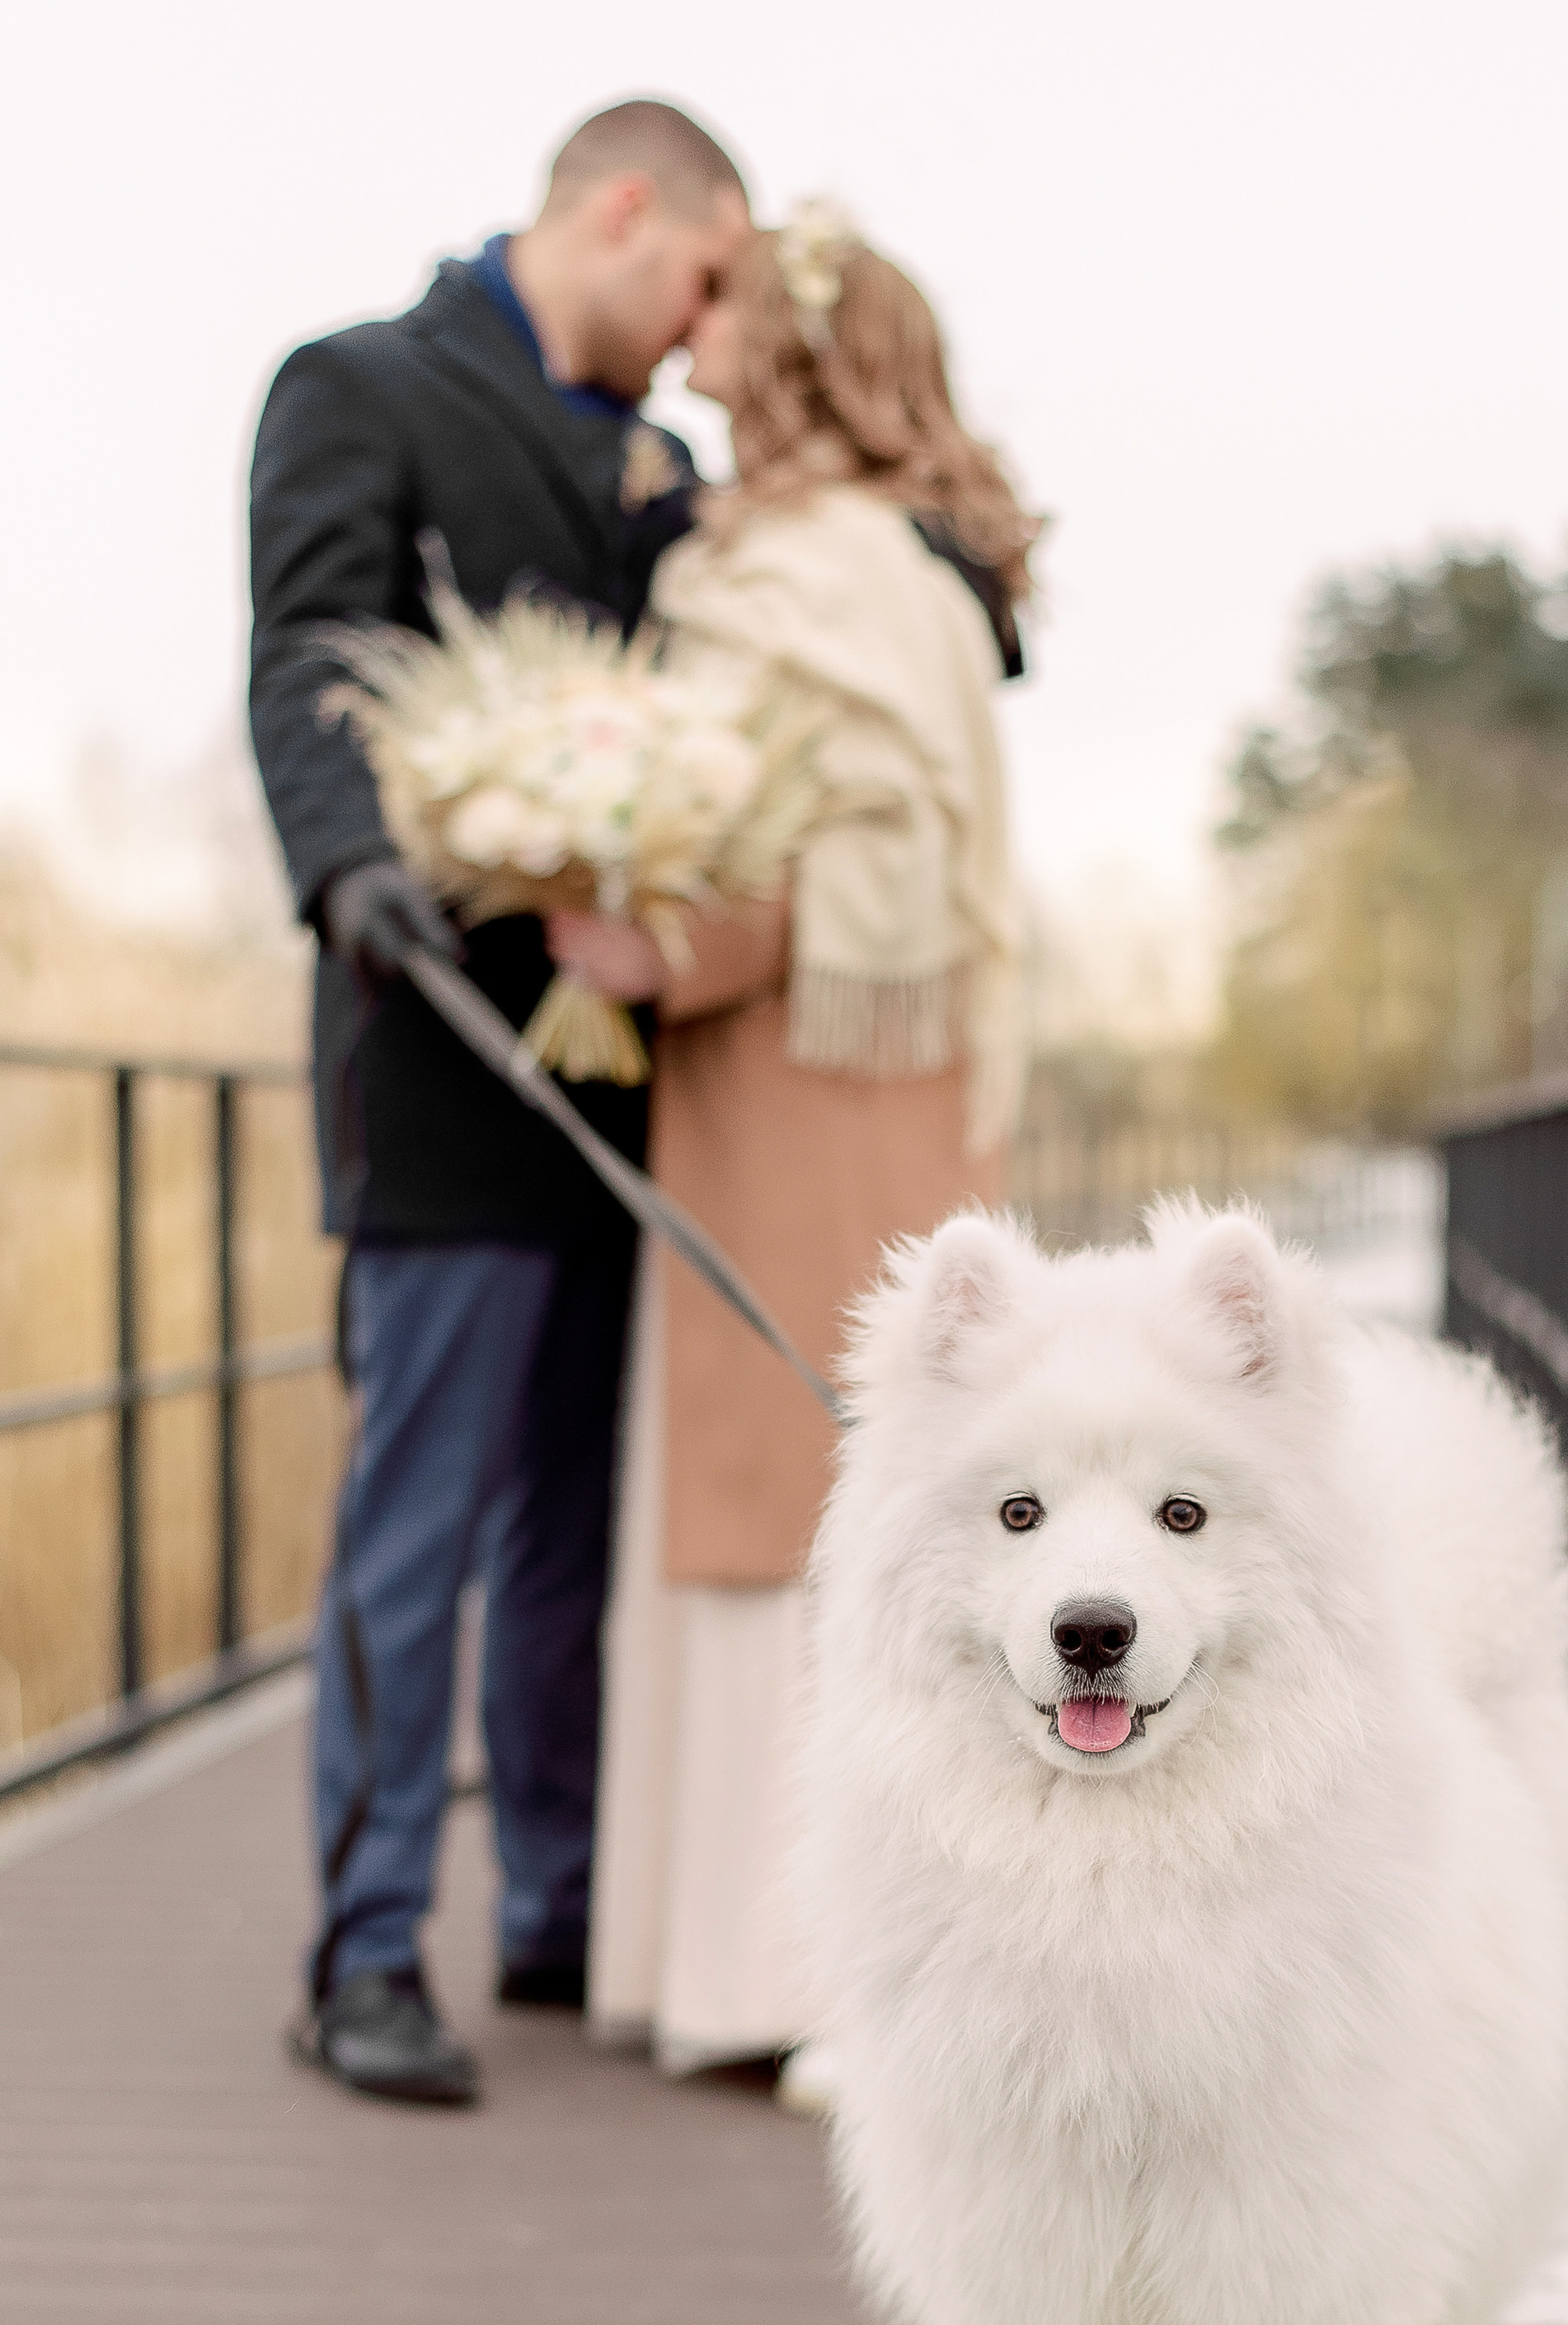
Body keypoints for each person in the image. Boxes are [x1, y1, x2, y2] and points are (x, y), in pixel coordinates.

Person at [248, 102, 752, 2107]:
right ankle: (363, 1950)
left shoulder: (666, 471)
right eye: (703, 276)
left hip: (635, 1072)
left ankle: (559, 1902)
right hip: (432, 1044)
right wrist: (349, 863)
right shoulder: (356, 387)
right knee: (421, 1519)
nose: (707, 330)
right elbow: (306, 650)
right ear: (622, 212)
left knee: (577, 1521)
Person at [546, 207, 1040, 2091]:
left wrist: (646, 946)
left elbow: (845, 843)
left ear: (792, 357)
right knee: (861, 1482)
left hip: (796, 1076)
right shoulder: (910, 567)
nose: (696, 366)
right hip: (880, 1088)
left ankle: (785, 1977)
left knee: (788, 1484)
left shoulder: (811, 568)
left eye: (727, 336)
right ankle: (829, 1972)